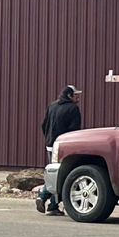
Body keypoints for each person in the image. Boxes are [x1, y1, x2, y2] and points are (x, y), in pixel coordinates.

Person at [37, 85, 82, 214]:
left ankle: (52, 204)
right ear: (69, 96)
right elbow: (74, 129)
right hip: (64, 146)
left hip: (51, 144)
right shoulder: (73, 109)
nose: (78, 98)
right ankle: (46, 198)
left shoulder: (52, 106)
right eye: (76, 95)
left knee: (55, 172)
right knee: (62, 174)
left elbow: (44, 124)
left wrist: (49, 138)